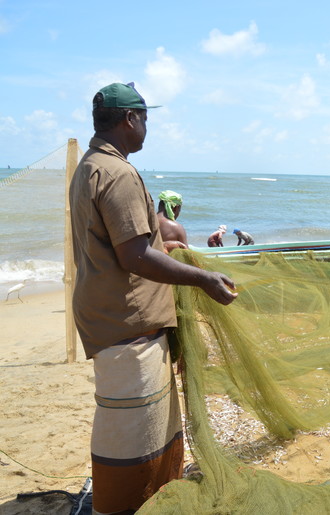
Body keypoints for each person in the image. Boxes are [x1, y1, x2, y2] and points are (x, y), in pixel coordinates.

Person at [68, 82, 238, 515]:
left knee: (142, 423)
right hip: (127, 322)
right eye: (145, 118)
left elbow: (126, 245)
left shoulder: (90, 165)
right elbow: (134, 255)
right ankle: (122, 505)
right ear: (130, 120)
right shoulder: (118, 173)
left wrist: (170, 254)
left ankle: (144, 499)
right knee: (130, 432)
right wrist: (201, 278)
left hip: (109, 315)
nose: (147, 126)